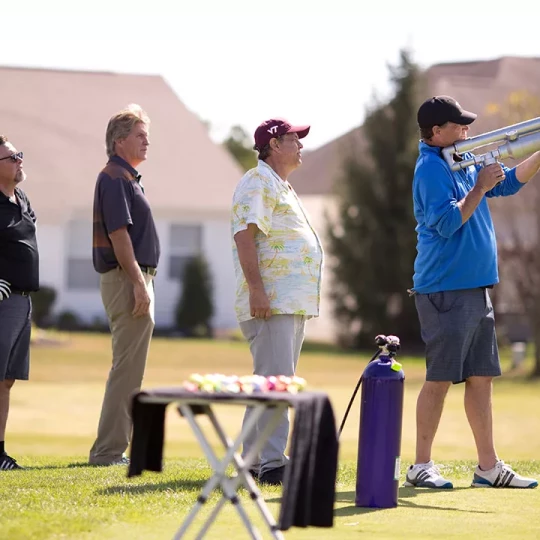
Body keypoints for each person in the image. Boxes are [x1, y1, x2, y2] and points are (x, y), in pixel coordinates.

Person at [406, 95, 540, 489]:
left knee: (482, 378)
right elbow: (448, 223)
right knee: (440, 379)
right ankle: (421, 465)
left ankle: (488, 467)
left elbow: (509, 184)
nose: (467, 131)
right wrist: (480, 187)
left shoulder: (458, 160)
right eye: (459, 126)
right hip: (445, 288)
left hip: (474, 287)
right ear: (436, 132)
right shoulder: (430, 168)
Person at [231, 118, 324, 485]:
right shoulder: (257, 181)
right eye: (293, 139)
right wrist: (257, 289)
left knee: (273, 381)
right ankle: (271, 462)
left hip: (289, 301)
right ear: (272, 144)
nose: (300, 145)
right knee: (276, 381)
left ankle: (254, 461)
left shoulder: (278, 184)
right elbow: (244, 235)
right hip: (272, 300)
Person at [89, 104, 160, 466]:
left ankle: (113, 448)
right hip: (126, 278)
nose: (147, 141)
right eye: (139, 135)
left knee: (131, 368)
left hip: (133, 277)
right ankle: (108, 452)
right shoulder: (115, 177)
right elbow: (119, 235)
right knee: (127, 368)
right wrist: (138, 282)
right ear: (119, 141)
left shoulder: (127, 176)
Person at [0, 136, 39, 470]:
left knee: (7, 379)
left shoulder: (21, 198)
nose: (19, 161)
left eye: (19, 155)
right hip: (3, 302)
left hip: (24, 301)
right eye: (12, 158)